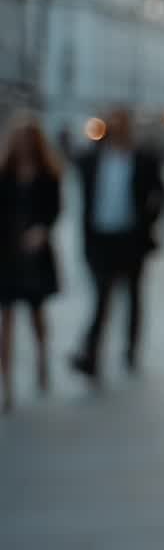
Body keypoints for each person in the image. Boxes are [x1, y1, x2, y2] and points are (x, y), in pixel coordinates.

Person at [70, 108, 164, 379]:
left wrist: (149, 220)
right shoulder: (93, 159)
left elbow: (159, 192)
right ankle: (91, 353)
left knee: (133, 296)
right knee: (102, 296)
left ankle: (130, 349)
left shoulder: (144, 158)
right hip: (101, 237)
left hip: (131, 237)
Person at [0, 114, 62, 412]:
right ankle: (7, 382)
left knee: (36, 312)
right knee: (6, 319)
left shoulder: (47, 174)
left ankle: (41, 358)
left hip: (35, 253)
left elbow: (54, 209)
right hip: (8, 251)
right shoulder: (5, 173)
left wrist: (42, 229)